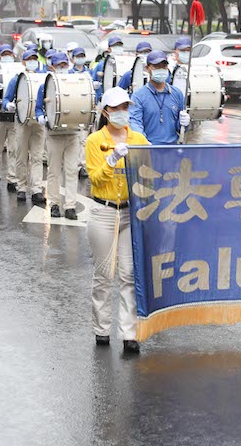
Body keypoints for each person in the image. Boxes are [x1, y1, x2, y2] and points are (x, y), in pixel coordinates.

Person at [85, 87, 150, 354]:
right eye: (117, 108)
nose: (122, 113)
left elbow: (154, 164)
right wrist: (112, 159)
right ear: (105, 112)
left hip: (130, 212)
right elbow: (96, 179)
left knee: (129, 274)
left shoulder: (137, 138)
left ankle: (129, 333)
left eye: (126, 107)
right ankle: (102, 328)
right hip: (103, 212)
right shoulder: (94, 141)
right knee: (104, 274)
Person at [35, 52, 81, 219]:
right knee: (53, 171)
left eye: (64, 64)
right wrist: (40, 117)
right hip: (54, 134)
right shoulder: (45, 86)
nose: (62, 67)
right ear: (52, 67)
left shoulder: (76, 82)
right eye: (59, 65)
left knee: (71, 170)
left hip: (72, 133)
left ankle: (70, 206)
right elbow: (38, 107)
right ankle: (54, 204)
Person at [4, 49, 47, 203]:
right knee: (21, 156)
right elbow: (6, 99)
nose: (32, 62)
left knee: (37, 156)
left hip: (38, 123)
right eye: (29, 59)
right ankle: (21, 187)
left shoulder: (44, 78)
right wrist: (9, 105)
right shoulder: (16, 80)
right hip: (22, 122)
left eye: (34, 59)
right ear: (23, 62)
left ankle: (36, 189)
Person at [129, 50, 189, 145]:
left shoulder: (177, 93)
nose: (161, 69)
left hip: (172, 148)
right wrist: (143, 142)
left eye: (163, 66)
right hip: (149, 147)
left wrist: (185, 123)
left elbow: (180, 128)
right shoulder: (139, 96)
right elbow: (135, 122)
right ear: (147, 68)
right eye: (156, 66)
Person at [0, 44, 20, 192]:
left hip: (14, 119)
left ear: (13, 56)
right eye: (4, 54)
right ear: (0, 56)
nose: (7, 56)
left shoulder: (19, 71)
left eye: (9, 54)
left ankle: (12, 178)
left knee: (14, 149)